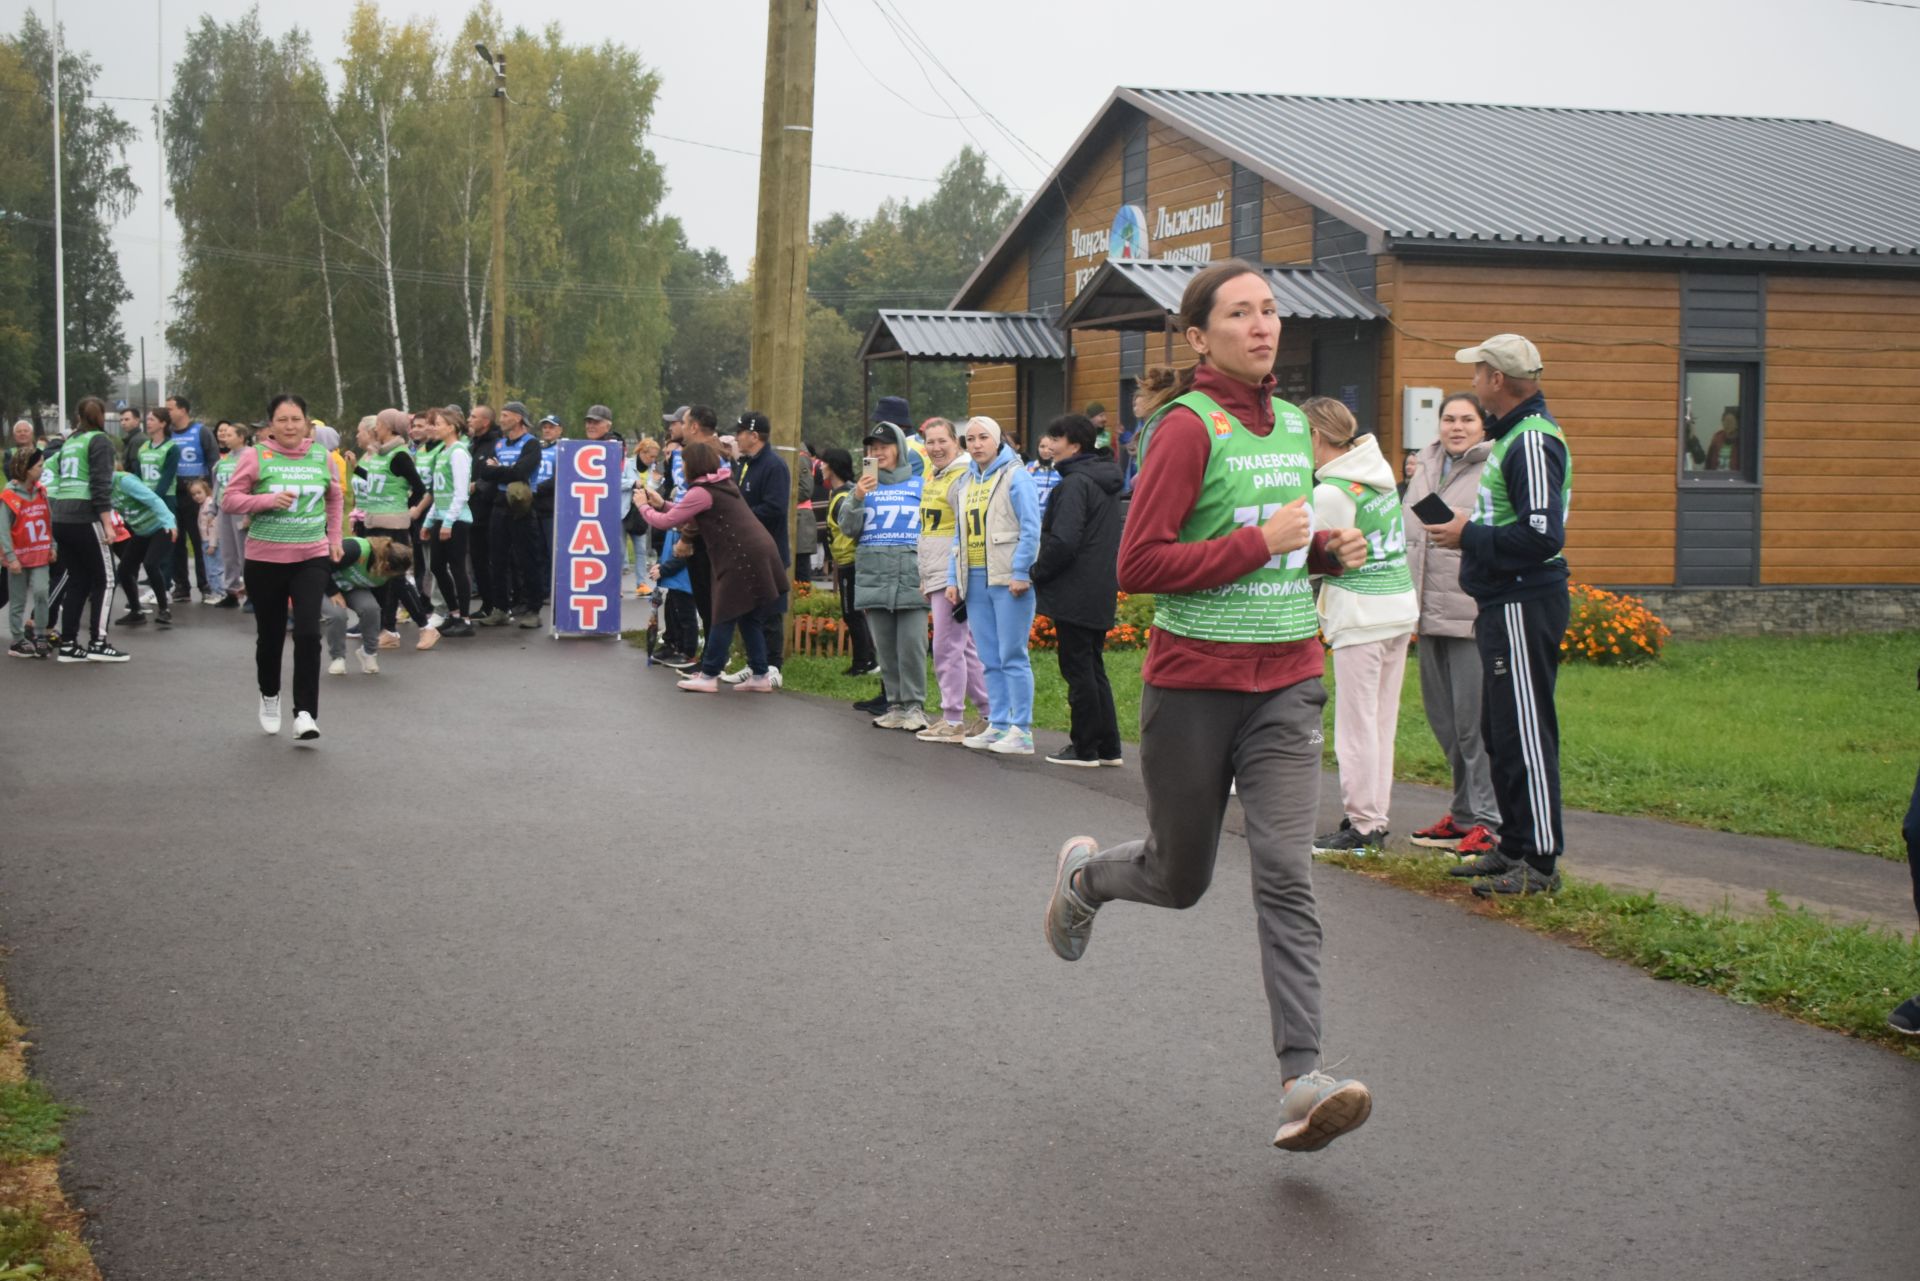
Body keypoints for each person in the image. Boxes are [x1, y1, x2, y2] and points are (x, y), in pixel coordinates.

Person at [1039, 260, 1374, 1152]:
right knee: (1180, 878)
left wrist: (1322, 555)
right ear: (1199, 337)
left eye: (1269, 310)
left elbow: (1285, 553)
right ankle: (1085, 878)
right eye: (1240, 313)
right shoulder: (1184, 428)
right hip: (1193, 685)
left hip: (1288, 679)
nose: (1262, 326)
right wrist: (1256, 540)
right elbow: (1137, 566)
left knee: (1285, 872)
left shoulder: (1299, 424)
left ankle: (1303, 1079)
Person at [1423, 332, 1574, 897]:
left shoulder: (1531, 442)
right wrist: (1474, 535)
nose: (1477, 380)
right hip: (1501, 599)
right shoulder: (1514, 435)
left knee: (1526, 731)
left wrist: (1470, 533)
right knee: (1501, 729)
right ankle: (1511, 846)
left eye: (1481, 371)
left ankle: (1539, 861)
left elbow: (1542, 534)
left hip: (1523, 598)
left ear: (1499, 381)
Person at [1303, 397, 1418, 855]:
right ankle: (1374, 816)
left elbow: (1309, 560)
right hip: (1397, 608)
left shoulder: (1331, 492)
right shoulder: (1381, 476)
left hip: (1361, 613)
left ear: (1315, 436)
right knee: (1380, 724)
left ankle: (1363, 826)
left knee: (1356, 726)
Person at [1402, 393, 1500, 858]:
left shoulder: (1492, 468)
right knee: (1444, 722)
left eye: (1467, 419)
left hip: (1468, 614)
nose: (1456, 427)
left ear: (1483, 426)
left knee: (1473, 726)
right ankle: (1462, 815)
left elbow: (1485, 531)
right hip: (1427, 612)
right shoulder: (1425, 464)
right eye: (1448, 419)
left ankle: (1489, 822)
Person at [219, 393, 345, 742]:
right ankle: (270, 695)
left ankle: (305, 713)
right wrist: (267, 500)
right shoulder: (256, 456)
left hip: (311, 556)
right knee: (271, 636)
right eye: (282, 420)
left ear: (307, 423)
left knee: (307, 632)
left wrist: (334, 536)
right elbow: (229, 500)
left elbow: (335, 497)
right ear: (271, 425)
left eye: (296, 419)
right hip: (265, 559)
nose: (290, 426)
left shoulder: (322, 456)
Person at [632, 440, 788, 693]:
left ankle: (709, 674)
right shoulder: (718, 484)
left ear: (693, 464)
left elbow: (665, 522)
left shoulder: (701, 491)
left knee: (723, 613)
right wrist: (660, 503)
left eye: (683, 462)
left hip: (741, 557)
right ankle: (760, 673)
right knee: (747, 615)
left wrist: (643, 505)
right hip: (757, 552)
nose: (681, 467)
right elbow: (683, 513)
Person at [1030, 413, 1125, 767]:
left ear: (1076, 444)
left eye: (1057, 438)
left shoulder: (1074, 484)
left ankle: (1084, 747)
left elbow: (1064, 540)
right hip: (1098, 584)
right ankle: (1108, 747)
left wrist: (1038, 571)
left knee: (1078, 668)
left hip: (1074, 586)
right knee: (1092, 666)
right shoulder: (1103, 479)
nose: (1050, 444)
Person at [945, 415, 1041, 755]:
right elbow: (958, 535)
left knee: (1013, 654)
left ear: (997, 440)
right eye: (969, 439)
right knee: (989, 657)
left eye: (983, 437)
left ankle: (1022, 730)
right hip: (974, 580)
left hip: (1007, 579)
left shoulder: (1016, 476)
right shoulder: (965, 482)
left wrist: (1021, 571)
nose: (976, 444)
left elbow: (1031, 528)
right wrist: (952, 578)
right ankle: (998, 725)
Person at [839, 422, 930, 731]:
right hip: (874, 579)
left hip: (911, 578)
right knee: (886, 649)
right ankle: (894, 705)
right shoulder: (861, 489)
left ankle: (915, 706)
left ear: (899, 449)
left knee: (911, 646)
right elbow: (848, 530)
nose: (878, 452)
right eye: (873, 448)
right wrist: (857, 498)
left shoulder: (921, 485)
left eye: (884, 447)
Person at [913, 418, 991, 744]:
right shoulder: (936, 475)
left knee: (946, 645)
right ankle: (989, 713)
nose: (935, 448)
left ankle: (953, 719)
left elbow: (965, 530)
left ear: (955, 443)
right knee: (965, 647)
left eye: (942, 441)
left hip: (952, 574)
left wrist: (954, 578)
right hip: (937, 572)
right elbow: (930, 530)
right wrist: (926, 575)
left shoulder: (961, 477)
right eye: (930, 442)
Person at [47, 397, 129, 663]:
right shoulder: (100, 441)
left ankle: (69, 643)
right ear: (101, 415)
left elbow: (55, 474)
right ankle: (98, 641)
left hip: (61, 516)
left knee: (78, 579)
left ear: (78, 416)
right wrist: (107, 523)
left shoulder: (70, 441)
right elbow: (100, 484)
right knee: (106, 579)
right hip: (85, 515)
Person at [727, 410, 790, 685]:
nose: (737, 437)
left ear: (754, 436)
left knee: (770, 609)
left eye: (740, 432)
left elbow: (775, 508)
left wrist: (741, 515)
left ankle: (773, 666)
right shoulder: (745, 464)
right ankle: (756, 663)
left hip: (769, 551)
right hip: (746, 549)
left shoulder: (774, 466)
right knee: (749, 609)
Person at [478, 401, 544, 628]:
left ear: (518, 418)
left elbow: (520, 471)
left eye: (505, 415)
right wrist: (499, 472)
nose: (501, 420)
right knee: (497, 559)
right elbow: (484, 472)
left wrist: (497, 470)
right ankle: (500, 608)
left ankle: (533, 609)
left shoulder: (531, 444)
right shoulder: (499, 443)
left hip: (522, 507)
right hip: (499, 505)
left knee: (527, 558)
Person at [819, 448, 876, 680]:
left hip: (849, 561)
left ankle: (865, 661)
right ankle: (865, 659)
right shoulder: (842, 493)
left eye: (824, 464)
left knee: (852, 613)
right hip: (845, 560)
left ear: (832, 467)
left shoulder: (843, 496)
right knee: (853, 613)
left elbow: (850, 529)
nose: (820, 467)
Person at [419, 407, 476, 639]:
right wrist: (428, 521)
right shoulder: (443, 451)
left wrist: (449, 522)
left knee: (458, 568)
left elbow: (461, 493)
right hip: (441, 517)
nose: (435, 427)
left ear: (452, 427)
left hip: (456, 520)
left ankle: (464, 618)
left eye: (440, 423)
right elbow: (440, 491)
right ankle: (452, 613)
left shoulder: (459, 453)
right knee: (437, 567)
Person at [324, 535, 412, 676]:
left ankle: (369, 653)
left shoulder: (389, 572)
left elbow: (381, 600)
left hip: (351, 587)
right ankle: (337, 657)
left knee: (371, 609)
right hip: (324, 584)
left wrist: (386, 624)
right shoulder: (356, 549)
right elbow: (322, 566)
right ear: (386, 565)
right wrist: (333, 592)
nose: (388, 576)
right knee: (337, 615)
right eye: (390, 572)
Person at [110, 462, 178, 628]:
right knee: (124, 570)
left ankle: (164, 610)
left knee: (150, 563)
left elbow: (154, 500)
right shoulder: (97, 488)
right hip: (141, 531)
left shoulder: (124, 481)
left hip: (161, 527)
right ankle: (136, 612)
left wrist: (169, 522)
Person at [2, 450, 55, 658]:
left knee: (42, 592)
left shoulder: (42, 491)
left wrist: (53, 545)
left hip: (40, 552)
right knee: (18, 600)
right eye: (39, 466)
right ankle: (17, 640)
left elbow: (48, 520)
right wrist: (10, 556)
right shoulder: (10, 495)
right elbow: (3, 529)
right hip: (18, 556)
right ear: (26, 469)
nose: (42, 470)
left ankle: (40, 634)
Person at [164, 395, 216, 601]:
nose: (167, 413)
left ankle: (205, 584)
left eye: (170, 409)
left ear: (183, 410)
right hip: (173, 493)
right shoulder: (167, 433)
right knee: (176, 541)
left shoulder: (201, 432)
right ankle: (181, 586)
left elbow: (212, 461)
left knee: (200, 539)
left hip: (196, 494)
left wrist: (209, 491)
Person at [466, 403, 503, 622]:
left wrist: (478, 486)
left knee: (493, 560)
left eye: (473, 416)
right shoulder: (472, 444)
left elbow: (497, 471)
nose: (469, 420)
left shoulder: (496, 444)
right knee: (478, 559)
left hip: (490, 510)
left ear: (485, 422)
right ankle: (487, 604)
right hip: (472, 511)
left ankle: (501, 604)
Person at [208, 420, 251, 608]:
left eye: (230, 434)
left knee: (245, 552)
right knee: (228, 552)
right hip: (224, 509)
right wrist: (212, 509)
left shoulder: (250, 456)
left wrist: (251, 512)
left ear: (241, 437)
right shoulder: (225, 459)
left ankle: (252, 592)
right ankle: (232, 591)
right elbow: (218, 483)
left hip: (241, 510)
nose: (225, 437)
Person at [647, 525, 701, 668]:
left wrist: (664, 569)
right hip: (674, 580)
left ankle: (687, 653)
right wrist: (659, 564)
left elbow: (685, 554)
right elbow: (668, 548)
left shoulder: (690, 522)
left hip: (685, 580)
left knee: (685, 617)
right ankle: (671, 645)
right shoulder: (673, 519)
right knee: (671, 613)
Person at [872, 395, 928, 475]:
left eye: (880, 424)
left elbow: (884, 483)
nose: (879, 429)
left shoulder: (904, 451)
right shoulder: (919, 441)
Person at [1026, 432, 1061, 516]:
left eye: (1050, 448)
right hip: (1033, 518)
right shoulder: (1028, 467)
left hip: (1052, 519)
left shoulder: (1060, 469)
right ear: (1037, 448)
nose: (1045, 451)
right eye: (1042, 446)